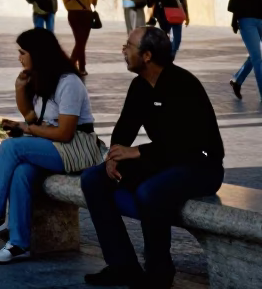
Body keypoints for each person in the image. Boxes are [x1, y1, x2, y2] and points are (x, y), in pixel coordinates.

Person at [82, 25, 224, 288]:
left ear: (147, 55)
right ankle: (122, 265)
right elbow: (125, 128)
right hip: (165, 160)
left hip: (201, 165)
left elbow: (187, 143)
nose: (123, 51)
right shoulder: (140, 86)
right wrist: (114, 156)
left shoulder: (183, 84)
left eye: (128, 46)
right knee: (93, 179)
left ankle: (159, 272)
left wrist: (136, 152)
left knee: (150, 192)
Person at [0, 27, 97, 264]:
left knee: (11, 147)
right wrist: (20, 90)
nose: (19, 57)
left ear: (39, 54)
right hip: (52, 147)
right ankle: (19, 243)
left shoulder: (69, 82)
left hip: (77, 149)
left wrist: (26, 129)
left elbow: (65, 133)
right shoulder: (41, 80)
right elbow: (32, 117)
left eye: (23, 52)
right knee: (22, 173)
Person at [228, 0, 262, 102]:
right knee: (257, 58)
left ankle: (237, 80)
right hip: (247, 21)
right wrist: (235, 21)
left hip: (261, 19)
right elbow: (236, 3)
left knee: (256, 57)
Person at [62, 0, 98, 77]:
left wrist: (69, 6)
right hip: (86, 13)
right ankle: (73, 65)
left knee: (79, 41)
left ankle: (80, 67)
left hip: (73, 13)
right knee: (81, 41)